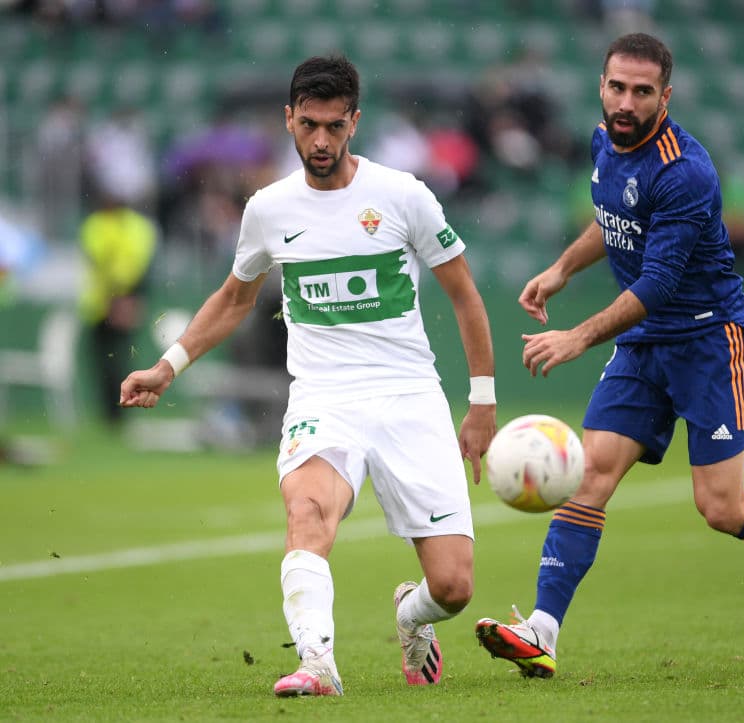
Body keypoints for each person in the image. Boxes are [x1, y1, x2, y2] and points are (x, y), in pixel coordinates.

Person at [474, 33, 744, 679]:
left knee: (721, 506)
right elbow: (611, 220)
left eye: (643, 91)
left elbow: (658, 285)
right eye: (617, 86)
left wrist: (578, 336)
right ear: (602, 84)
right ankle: (543, 629)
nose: (627, 101)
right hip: (645, 345)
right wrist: (560, 268)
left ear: (666, 96)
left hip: (707, 338)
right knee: (590, 478)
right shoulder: (602, 142)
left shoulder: (685, 170)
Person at [119, 55, 497, 697]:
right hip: (324, 396)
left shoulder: (403, 194)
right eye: (309, 125)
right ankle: (317, 662)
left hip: (409, 394)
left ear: (354, 121)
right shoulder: (268, 208)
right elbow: (235, 298)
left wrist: (481, 402)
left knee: (454, 587)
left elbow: (463, 294)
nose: (321, 141)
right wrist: (168, 364)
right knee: (308, 513)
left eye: (334, 126)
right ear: (288, 120)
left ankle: (412, 615)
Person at [78, 196, 158, 425]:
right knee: (106, 360)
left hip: (121, 299)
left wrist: (127, 298)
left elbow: (134, 266)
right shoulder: (103, 224)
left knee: (118, 359)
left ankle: (119, 411)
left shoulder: (128, 226)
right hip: (102, 303)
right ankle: (112, 412)